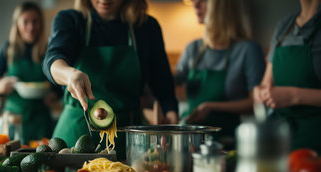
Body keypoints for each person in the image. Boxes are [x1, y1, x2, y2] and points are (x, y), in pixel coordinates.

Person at [43, 0, 179, 157]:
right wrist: (69, 74)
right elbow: (52, 60)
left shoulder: (147, 27)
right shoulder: (71, 20)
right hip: (76, 138)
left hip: (129, 140)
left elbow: (163, 83)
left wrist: (171, 111)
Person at [175, 0, 265, 148]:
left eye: (203, 1)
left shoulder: (248, 50)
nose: (195, 4)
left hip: (226, 142)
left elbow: (256, 102)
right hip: (188, 143)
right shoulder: (193, 48)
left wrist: (211, 106)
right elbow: (173, 85)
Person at [254, 0, 321, 152]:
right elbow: (266, 83)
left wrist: (294, 96)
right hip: (284, 143)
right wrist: (260, 93)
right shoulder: (284, 26)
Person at [0, 1, 60, 144]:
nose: (31, 27)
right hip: (14, 119)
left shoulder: (49, 50)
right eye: (26, 22)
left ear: (41, 24)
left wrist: (54, 96)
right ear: (17, 24)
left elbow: (59, 86)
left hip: (41, 119)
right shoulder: (7, 50)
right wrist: (0, 86)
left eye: (35, 22)